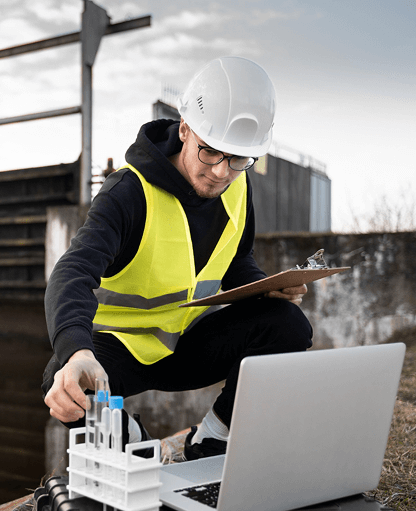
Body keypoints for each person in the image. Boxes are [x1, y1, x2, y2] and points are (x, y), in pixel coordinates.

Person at [42, 56, 313, 460]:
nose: (222, 172)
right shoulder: (128, 194)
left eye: (238, 159)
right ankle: (138, 445)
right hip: (123, 351)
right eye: (210, 153)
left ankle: (213, 440)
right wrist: (78, 351)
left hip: (187, 347)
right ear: (185, 129)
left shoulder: (238, 187)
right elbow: (73, 270)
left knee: (288, 325)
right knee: (62, 381)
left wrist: (265, 291)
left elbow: (237, 263)